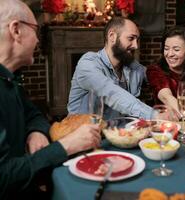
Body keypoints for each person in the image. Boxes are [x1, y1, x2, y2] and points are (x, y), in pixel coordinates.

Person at [0, 1, 101, 199]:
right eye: (35, 30)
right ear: (16, 30)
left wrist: (36, 131)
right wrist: (66, 145)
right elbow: (3, 179)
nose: (38, 40)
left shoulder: (9, 78)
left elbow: (34, 114)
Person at [67, 17, 156, 120]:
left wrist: (168, 97)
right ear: (112, 36)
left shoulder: (130, 64)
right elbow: (111, 94)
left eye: (137, 40)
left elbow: (153, 75)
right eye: (131, 38)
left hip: (117, 132)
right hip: (83, 132)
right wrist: (155, 115)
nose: (136, 46)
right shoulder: (88, 63)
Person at [146, 25, 185, 119]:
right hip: (166, 125)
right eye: (166, 48)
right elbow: (166, 97)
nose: (169, 54)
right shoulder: (155, 69)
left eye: (176, 49)